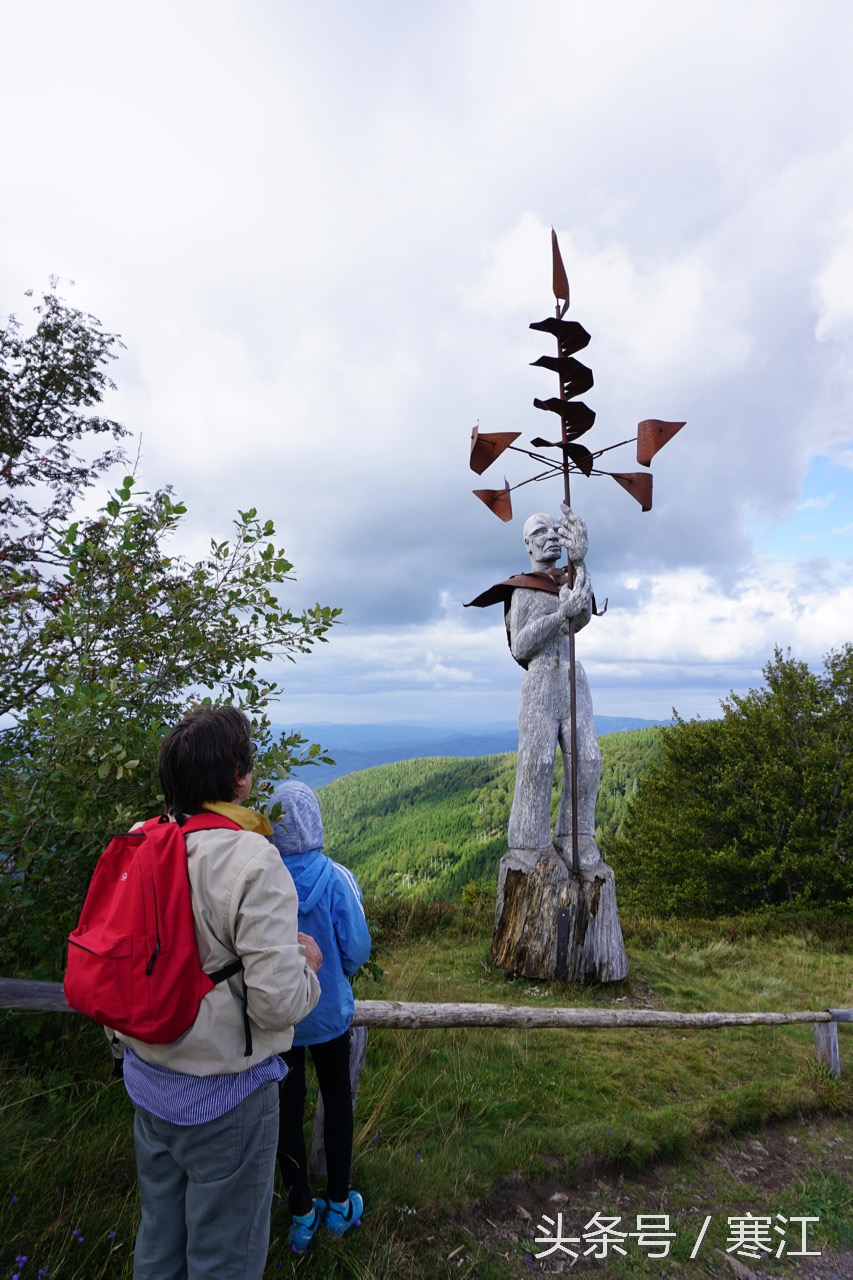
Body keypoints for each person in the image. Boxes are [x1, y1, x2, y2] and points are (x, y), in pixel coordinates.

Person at [114, 704, 322, 1280]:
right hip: (224, 1097)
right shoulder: (253, 858)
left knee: (159, 1241)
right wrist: (308, 969)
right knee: (224, 1257)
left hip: (148, 1080)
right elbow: (277, 1002)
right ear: (239, 777)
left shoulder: (142, 842)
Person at [268, 778, 372, 1253]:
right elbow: (356, 948)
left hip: (281, 1016)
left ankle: (301, 1213)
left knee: (287, 1109)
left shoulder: (261, 878)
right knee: (337, 1100)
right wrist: (336, 977)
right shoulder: (335, 878)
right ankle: (338, 1204)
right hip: (328, 1012)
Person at [504, 507, 602, 869]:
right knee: (538, 761)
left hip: (573, 677)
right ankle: (530, 842)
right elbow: (521, 645)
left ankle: (576, 835)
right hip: (541, 680)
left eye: (554, 530)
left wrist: (580, 560)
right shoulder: (524, 589)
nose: (551, 537)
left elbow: (582, 616)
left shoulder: (565, 581)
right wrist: (560, 615)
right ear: (528, 544)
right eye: (540, 532)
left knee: (588, 758)